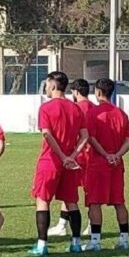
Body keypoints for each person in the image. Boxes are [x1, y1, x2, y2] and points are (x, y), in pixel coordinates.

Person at [29, 72, 89, 256]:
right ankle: (76, 243)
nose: (46, 88)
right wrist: (72, 156)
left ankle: (42, 245)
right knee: (71, 201)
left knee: (42, 200)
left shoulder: (46, 108)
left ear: (53, 85)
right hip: (70, 162)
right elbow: (85, 136)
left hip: (50, 160)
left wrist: (63, 156)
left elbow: (47, 134)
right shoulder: (76, 108)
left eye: (47, 85)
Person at [84, 78, 129, 251]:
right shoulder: (121, 114)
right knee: (119, 201)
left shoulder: (93, 113)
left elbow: (91, 138)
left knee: (94, 202)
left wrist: (106, 154)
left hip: (98, 163)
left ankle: (95, 241)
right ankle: (124, 239)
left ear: (98, 92)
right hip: (116, 164)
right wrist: (117, 155)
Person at [49, 78, 93, 238]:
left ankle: (77, 225)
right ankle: (69, 224)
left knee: (71, 192)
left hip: (77, 155)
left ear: (75, 91)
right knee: (74, 192)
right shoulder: (93, 107)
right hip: (87, 154)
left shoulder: (77, 108)